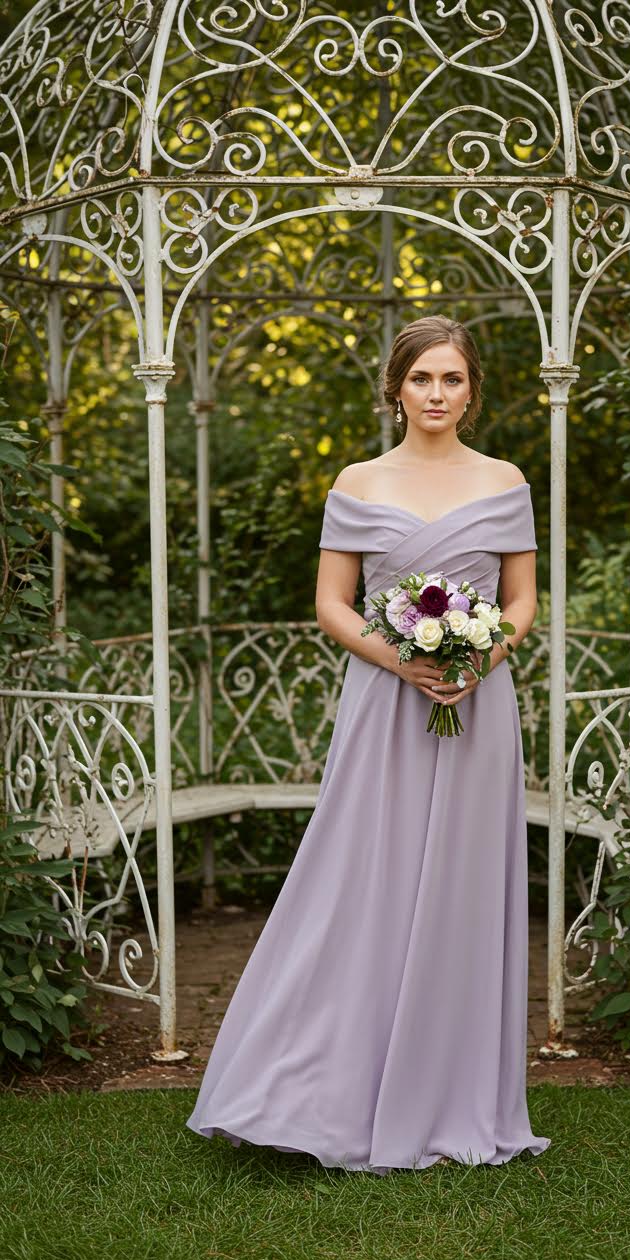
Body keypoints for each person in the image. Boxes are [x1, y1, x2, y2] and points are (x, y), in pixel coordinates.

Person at [185, 313, 551, 1174]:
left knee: (461, 889)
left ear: (472, 390)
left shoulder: (505, 479)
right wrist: (406, 664)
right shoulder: (358, 480)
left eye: (452, 379)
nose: (436, 394)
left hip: (477, 709)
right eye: (421, 379)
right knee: (363, 880)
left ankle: (449, 1092)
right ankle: (316, 1086)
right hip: (386, 706)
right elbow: (333, 605)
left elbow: (525, 601)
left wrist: (475, 658)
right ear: (395, 389)